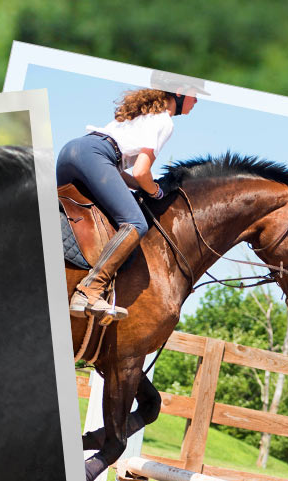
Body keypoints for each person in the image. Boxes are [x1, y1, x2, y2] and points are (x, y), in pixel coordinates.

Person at [59, 88, 198, 319]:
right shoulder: (165, 121)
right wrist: (156, 192)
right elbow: (142, 171)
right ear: (179, 93)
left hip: (71, 152)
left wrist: (139, 185)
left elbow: (116, 173)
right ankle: (89, 290)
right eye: (195, 95)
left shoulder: (136, 116)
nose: (196, 101)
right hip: (96, 157)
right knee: (135, 223)